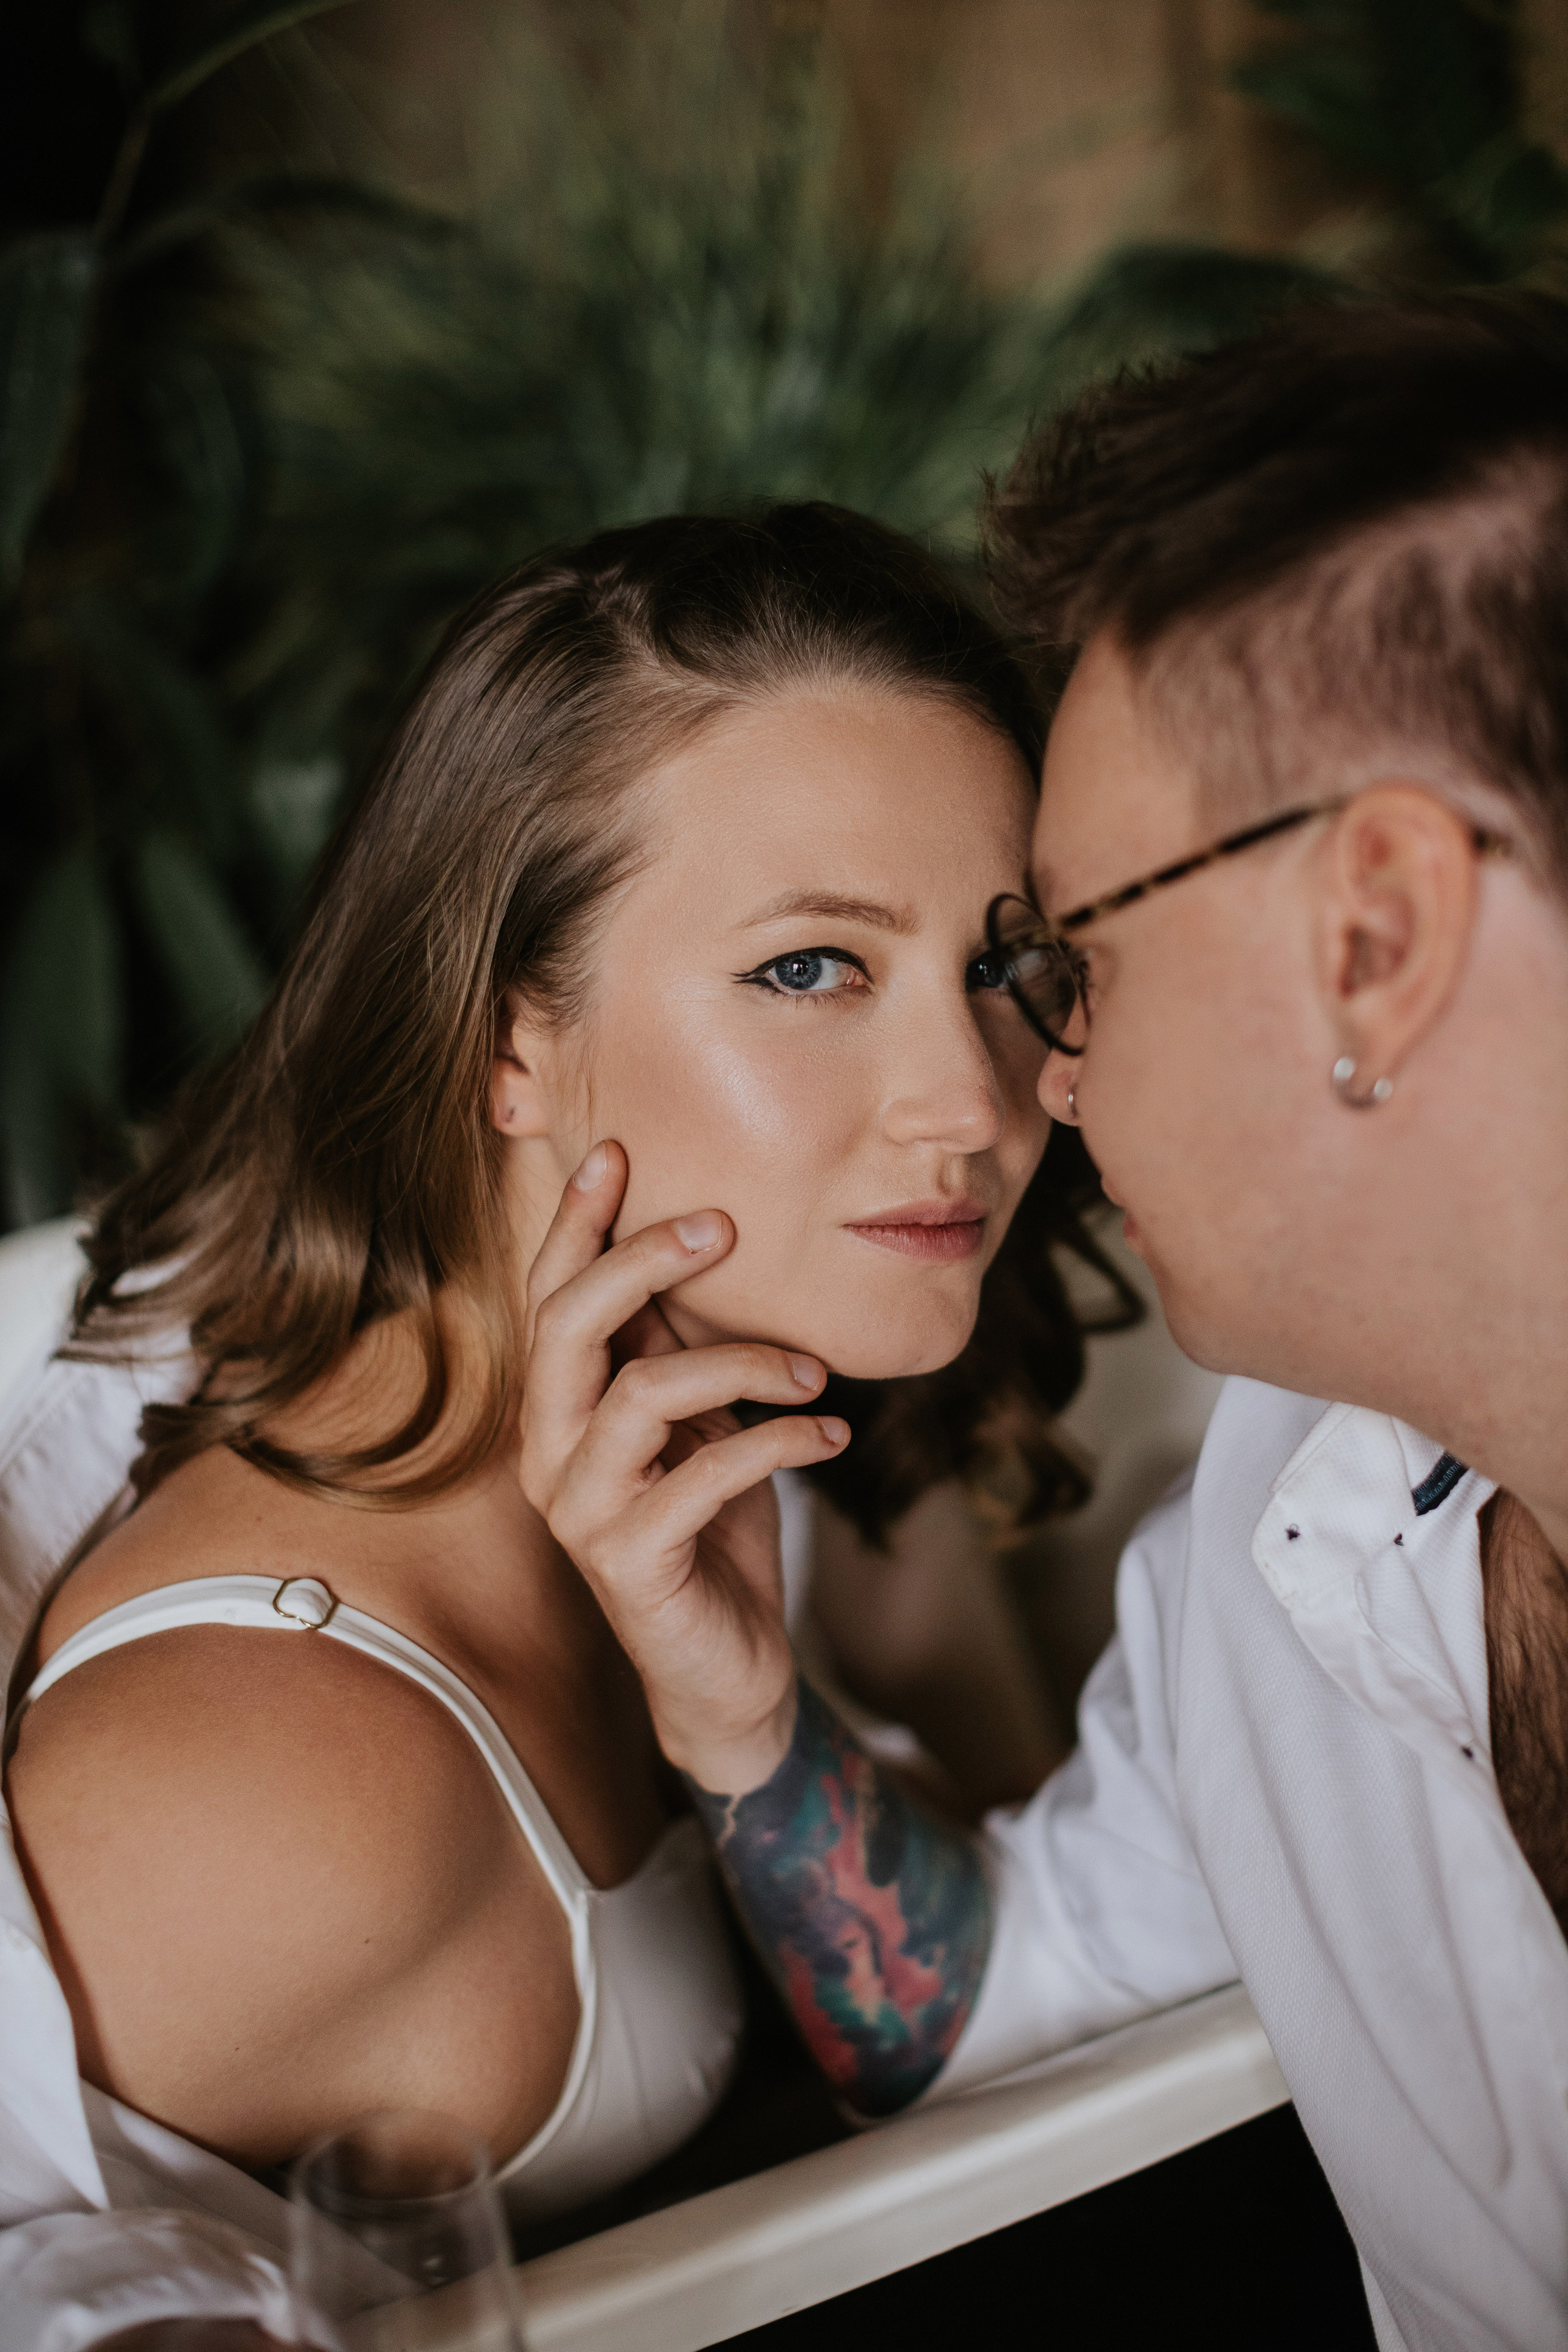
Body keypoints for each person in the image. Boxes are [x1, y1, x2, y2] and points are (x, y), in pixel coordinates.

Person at [516, 294, 1568, 2352]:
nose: (1036, 1090)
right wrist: (742, 1715)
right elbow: (973, 2010)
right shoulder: (1285, 1537)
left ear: (1375, 933)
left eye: (1067, 952)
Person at [0, 502, 1104, 2342]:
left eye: (1004, 963)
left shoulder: (725, 1383)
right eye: (812, 967)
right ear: (510, 1040)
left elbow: (1001, 1949)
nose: (973, 1103)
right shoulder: (271, 1794)